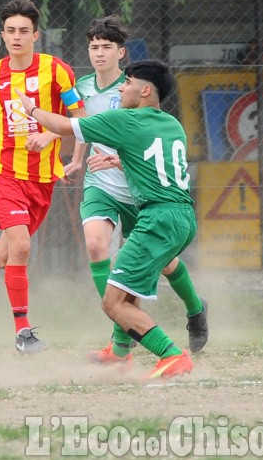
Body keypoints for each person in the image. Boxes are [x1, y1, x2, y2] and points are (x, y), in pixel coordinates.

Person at [15, 59, 197, 380]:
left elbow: (62, 127)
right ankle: (118, 353)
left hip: (157, 219)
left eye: (127, 83)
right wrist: (120, 159)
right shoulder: (171, 124)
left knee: (112, 303)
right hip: (182, 217)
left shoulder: (125, 121)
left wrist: (31, 109)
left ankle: (171, 354)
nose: (122, 87)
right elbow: (157, 165)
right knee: (126, 294)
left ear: (144, 90)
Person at [66, 17, 208, 371]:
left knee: (159, 265)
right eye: (94, 47)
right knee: (98, 246)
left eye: (106, 47)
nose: (99, 53)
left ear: (120, 53)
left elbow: (74, 126)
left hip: (142, 194)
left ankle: (193, 312)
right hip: (104, 183)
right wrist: (79, 159)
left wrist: (35, 115)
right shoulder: (83, 87)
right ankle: (120, 346)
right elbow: (78, 124)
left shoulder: (133, 92)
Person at [0, 0, 85, 354]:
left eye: (24, 31)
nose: (16, 37)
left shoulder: (57, 71)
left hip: (42, 177)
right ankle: (23, 332)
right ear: (2, 35)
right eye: (10, 31)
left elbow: (79, 117)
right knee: (23, 247)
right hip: (4, 170)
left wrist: (52, 135)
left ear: (36, 35)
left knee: (5, 255)